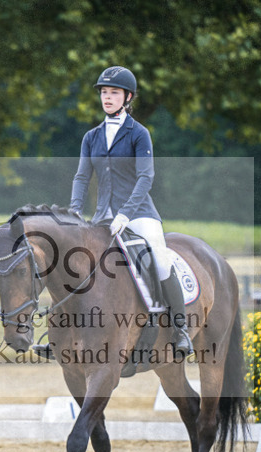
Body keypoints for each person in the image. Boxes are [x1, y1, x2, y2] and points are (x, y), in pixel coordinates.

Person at [68, 65, 193, 358]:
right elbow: (82, 177)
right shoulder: (92, 136)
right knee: (73, 262)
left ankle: (180, 329)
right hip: (102, 217)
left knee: (160, 260)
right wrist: (75, 211)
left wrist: (126, 213)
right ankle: (61, 333)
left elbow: (145, 177)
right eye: (104, 93)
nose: (107, 98)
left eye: (113, 93)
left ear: (127, 97)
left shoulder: (139, 134)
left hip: (139, 214)